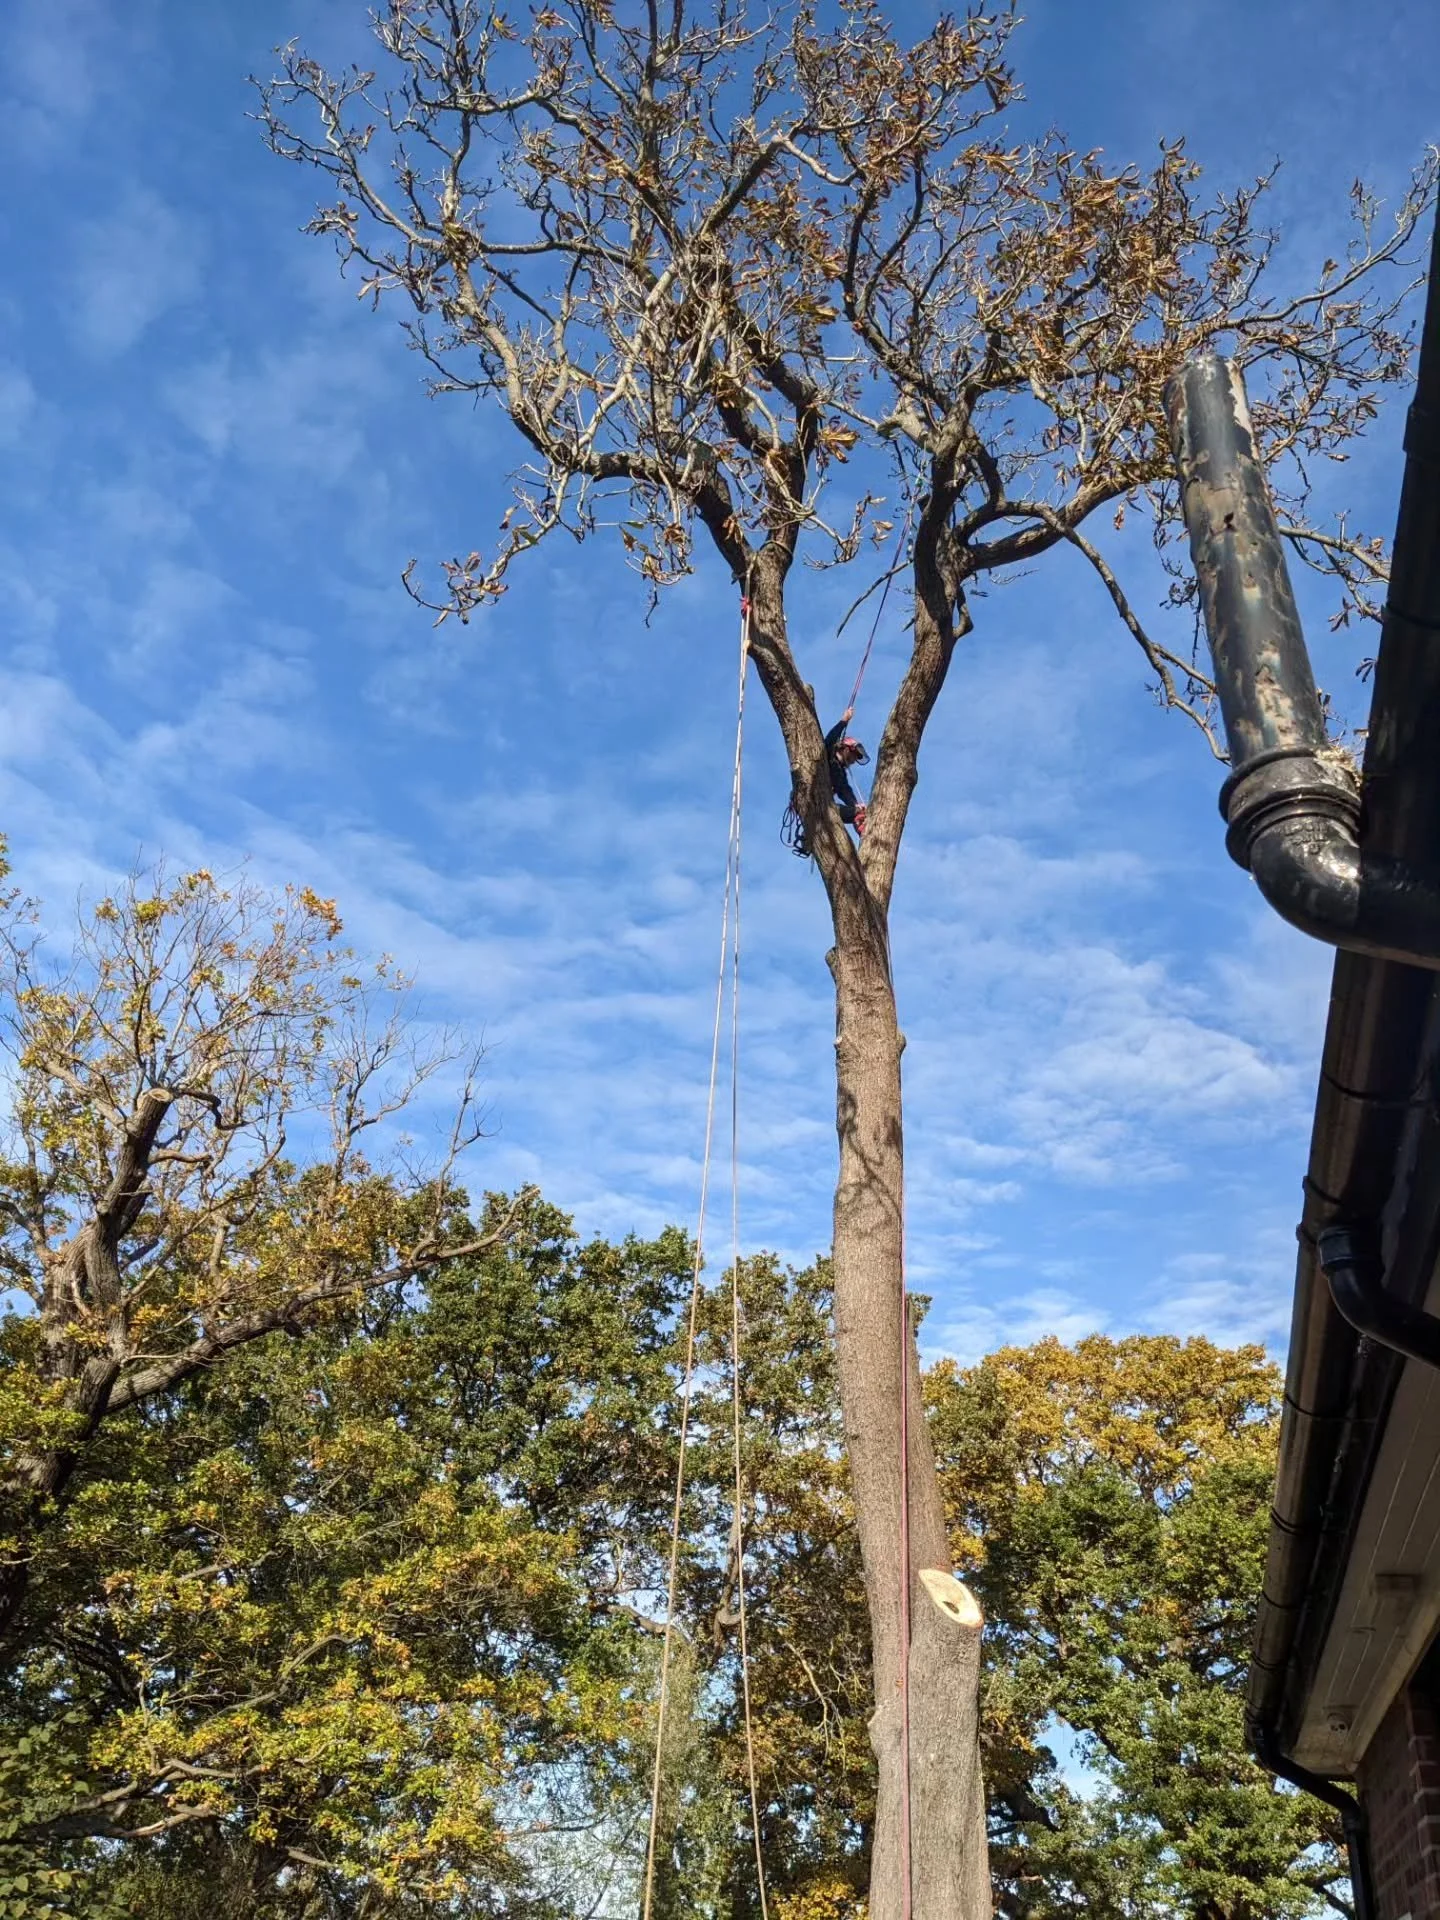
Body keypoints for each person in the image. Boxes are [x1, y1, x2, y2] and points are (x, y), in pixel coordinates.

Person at [783, 706, 870, 858]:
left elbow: (844, 790)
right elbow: (829, 740)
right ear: (845, 748)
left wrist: (855, 805)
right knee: (828, 810)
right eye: (852, 754)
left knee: (854, 812)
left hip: (823, 805)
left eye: (855, 758)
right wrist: (844, 721)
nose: (853, 760)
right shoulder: (828, 755)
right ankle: (809, 835)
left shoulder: (840, 773)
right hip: (809, 797)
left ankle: (858, 823)